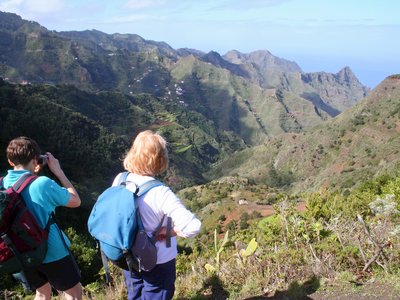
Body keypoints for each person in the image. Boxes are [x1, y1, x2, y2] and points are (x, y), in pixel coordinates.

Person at [114, 130, 201, 300]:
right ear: (160, 160)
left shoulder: (120, 179)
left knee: (135, 295)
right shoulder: (161, 193)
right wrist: (170, 232)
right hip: (158, 261)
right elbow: (193, 226)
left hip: (128, 255)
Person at [1, 136, 82, 300]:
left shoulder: (2, 184)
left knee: (42, 293)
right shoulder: (43, 183)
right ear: (35, 159)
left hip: (19, 253)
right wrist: (58, 172)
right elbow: (76, 201)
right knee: (73, 292)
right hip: (52, 252)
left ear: (10, 161)